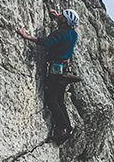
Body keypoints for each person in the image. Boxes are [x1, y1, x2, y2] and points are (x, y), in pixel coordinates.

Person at [17, 8, 80, 144]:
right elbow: (63, 33)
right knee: (59, 100)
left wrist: (27, 36)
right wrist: (57, 17)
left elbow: (47, 42)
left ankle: (63, 129)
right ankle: (67, 128)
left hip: (54, 71)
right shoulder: (73, 34)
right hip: (64, 71)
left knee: (51, 100)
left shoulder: (60, 33)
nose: (59, 15)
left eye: (61, 15)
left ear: (64, 20)